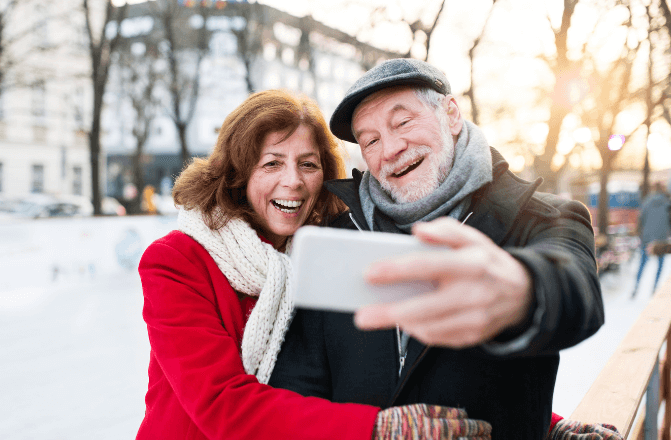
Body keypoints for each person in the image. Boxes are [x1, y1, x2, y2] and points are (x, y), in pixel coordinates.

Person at [267, 59, 610, 440]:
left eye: (403, 122)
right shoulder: (336, 239)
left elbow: (578, 294)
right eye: (371, 140)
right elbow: (296, 387)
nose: (392, 148)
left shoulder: (545, 217)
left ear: (451, 115)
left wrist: (523, 289)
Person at [136, 89, 493, 440]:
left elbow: (398, 357)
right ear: (238, 174)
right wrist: (376, 430)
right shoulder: (176, 261)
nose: (293, 181)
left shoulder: (331, 253)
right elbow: (222, 403)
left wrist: (541, 421)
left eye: (307, 164)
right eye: (272, 163)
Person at [631, 182, 670, 298]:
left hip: (647, 239)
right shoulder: (668, 203)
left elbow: (640, 220)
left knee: (642, 264)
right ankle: (654, 288)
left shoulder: (647, 202)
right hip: (661, 240)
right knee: (660, 265)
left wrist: (640, 234)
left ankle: (636, 287)